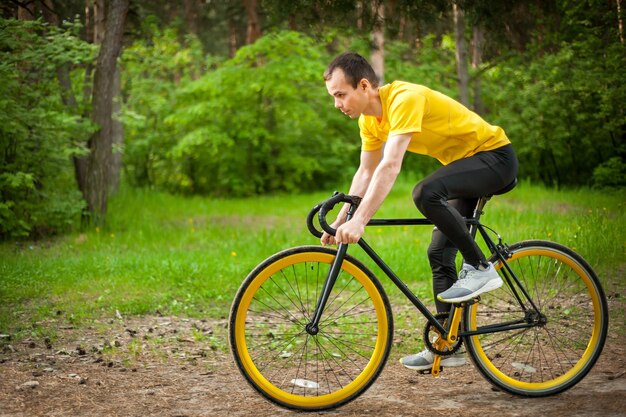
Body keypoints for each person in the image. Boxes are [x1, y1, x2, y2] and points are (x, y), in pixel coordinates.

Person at [321, 52, 518, 371]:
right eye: (334, 97)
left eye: (341, 95)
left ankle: (480, 266)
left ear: (364, 85)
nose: (337, 104)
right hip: (465, 165)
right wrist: (340, 221)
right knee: (439, 254)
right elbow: (365, 172)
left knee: (426, 193)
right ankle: (449, 345)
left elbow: (390, 164)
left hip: (494, 158)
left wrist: (361, 221)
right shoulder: (369, 122)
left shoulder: (404, 98)